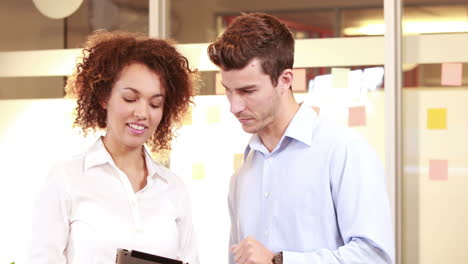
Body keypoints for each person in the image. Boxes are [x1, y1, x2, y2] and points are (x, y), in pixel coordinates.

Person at [208, 13, 394, 264]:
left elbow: (375, 257)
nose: (234, 106)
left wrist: (280, 261)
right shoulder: (244, 172)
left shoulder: (343, 150)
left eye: (247, 91)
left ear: (285, 80)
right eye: (228, 91)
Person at [28, 30, 199, 264]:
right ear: (103, 97)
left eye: (155, 103)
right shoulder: (67, 179)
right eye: (130, 98)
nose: (142, 113)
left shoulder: (173, 189)